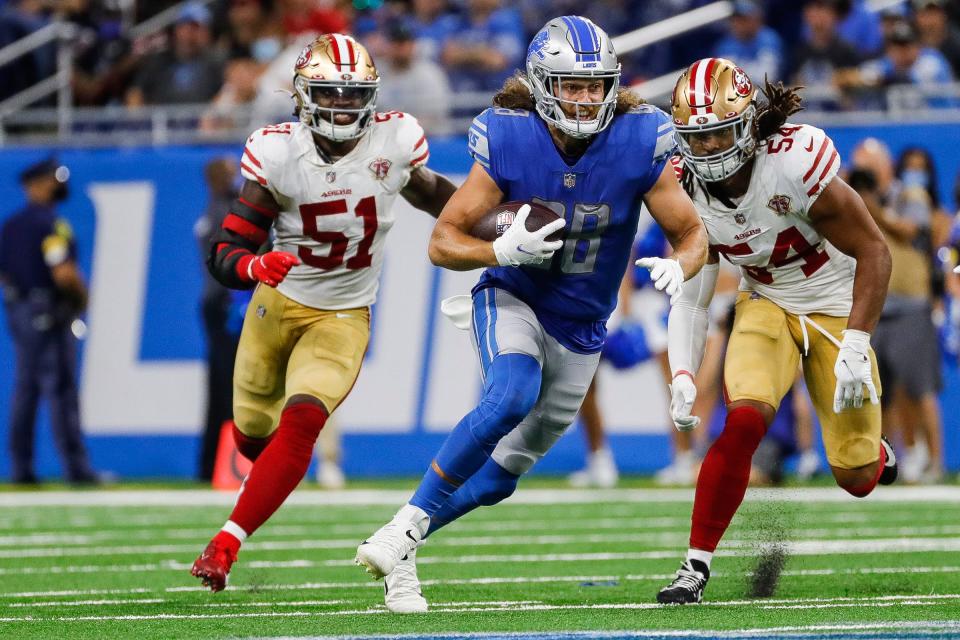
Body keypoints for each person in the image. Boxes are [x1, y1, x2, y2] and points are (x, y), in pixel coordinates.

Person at [355, 16, 708, 614]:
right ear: (544, 84)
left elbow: (691, 230)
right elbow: (443, 240)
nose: (585, 97)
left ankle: (404, 539)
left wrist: (684, 264)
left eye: (595, 85)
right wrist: (499, 251)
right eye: (572, 85)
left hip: (583, 325)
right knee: (511, 394)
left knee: (498, 480)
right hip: (513, 294)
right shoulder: (509, 135)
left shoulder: (639, 136)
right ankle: (406, 528)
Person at [190, 33, 457, 592]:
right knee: (251, 437)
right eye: (329, 93)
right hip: (276, 306)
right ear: (304, 96)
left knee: (305, 420)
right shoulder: (280, 152)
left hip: (343, 314)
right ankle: (254, 481)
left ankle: (226, 543)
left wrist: (502, 221)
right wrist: (252, 269)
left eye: (351, 94)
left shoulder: (395, 142)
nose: (341, 105)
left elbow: (443, 202)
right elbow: (225, 249)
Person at [655, 58, 895, 605]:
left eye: (719, 133)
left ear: (744, 126)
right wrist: (684, 372)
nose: (710, 148)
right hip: (765, 300)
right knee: (743, 418)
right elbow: (693, 295)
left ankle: (876, 453)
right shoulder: (682, 184)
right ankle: (695, 566)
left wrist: (857, 342)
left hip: (836, 304)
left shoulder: (793, 161)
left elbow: (875, 250)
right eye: (699, 137)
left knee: (855, 477)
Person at [0, 158, 98, 485]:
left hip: (20, 309)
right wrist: (82, 299)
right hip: (49, 312)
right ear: (39, 183)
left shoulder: (12, 225)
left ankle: (22, 468)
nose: (60, 184)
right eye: (55, 179)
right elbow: (64, 273)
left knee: (26, 387)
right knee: (61, 389)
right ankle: (76, 467)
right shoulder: (50, 225)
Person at [194, 157, 244, 481]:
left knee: (222, 386)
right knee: (231, 386)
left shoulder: (211, 213)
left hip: (220, 303)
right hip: (228, 306)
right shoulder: (226, 213)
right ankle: (224, 464)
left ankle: (212, 464)